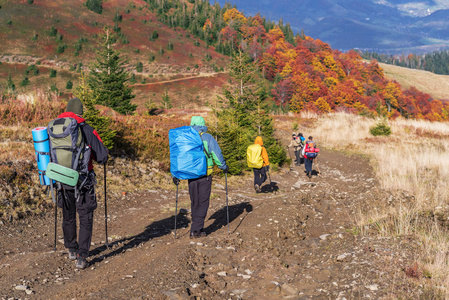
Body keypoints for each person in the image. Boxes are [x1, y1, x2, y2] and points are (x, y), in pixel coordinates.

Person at [55, 98, 108, 269]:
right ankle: (82, 256)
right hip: (82, 181)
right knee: (85, 216)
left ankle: (71, 248)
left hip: (61, 180)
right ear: (81, 112)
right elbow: (102, 157)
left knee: (68, 215)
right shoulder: (86, 129)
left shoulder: (56, 128)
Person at [173, 116, 228, 238]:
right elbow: (216, 154)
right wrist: (223, 166)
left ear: (191, 124)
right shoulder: (207, 137)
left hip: (191, 175)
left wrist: (175, 174)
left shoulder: (186, 139)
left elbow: (178, 156)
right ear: (203, 125)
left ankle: (196, 226)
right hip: (205, 175)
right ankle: (196, 230)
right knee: (203, 203)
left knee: (195, 202)